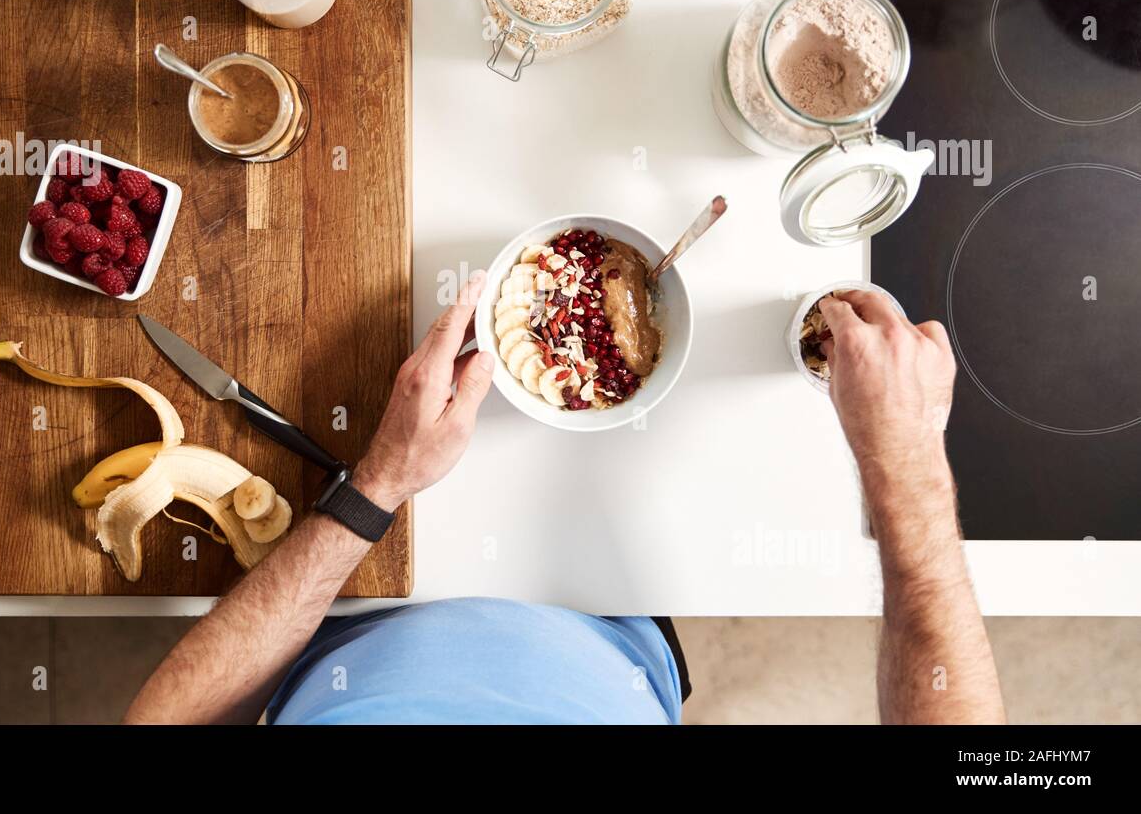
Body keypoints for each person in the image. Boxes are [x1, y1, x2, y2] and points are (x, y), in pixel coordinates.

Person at [125, 274, 1005, 725]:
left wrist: (378, 483)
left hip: (350, 613)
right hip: (610, 621)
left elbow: (168, 719)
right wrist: (906, 455)